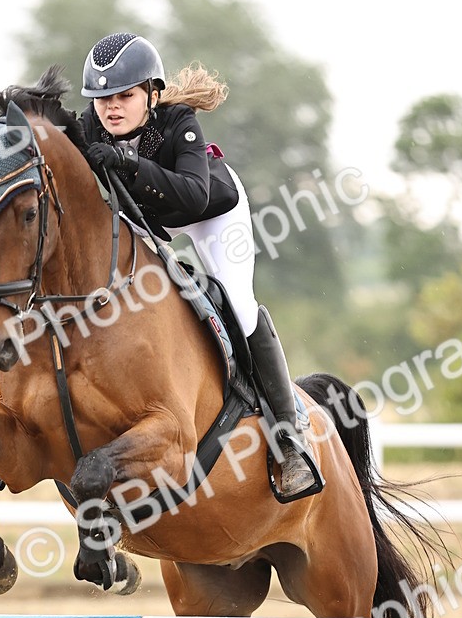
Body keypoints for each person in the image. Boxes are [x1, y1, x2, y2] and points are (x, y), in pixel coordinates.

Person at [79, 32, 317, 498]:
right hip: (147, 219)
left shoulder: (177, 122)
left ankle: (290, 437)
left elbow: (194, 193)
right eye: (102, 98)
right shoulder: (92, 126)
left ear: (151, 93)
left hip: (211, 214)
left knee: (240, 307)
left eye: (124, 95)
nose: (110, 108)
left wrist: (126, 163)